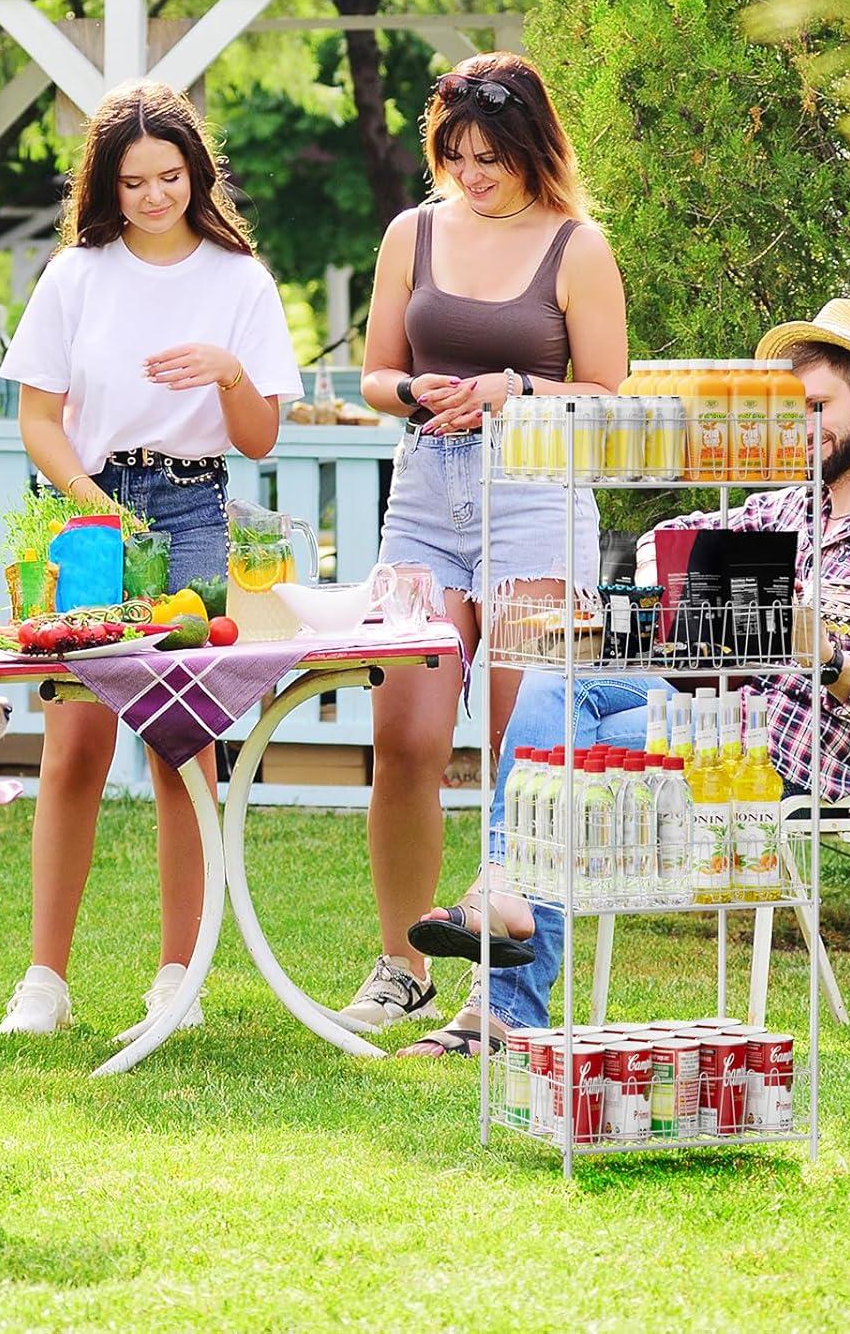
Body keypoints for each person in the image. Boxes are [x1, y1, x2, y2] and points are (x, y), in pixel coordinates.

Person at [400, 299, 850, 1054]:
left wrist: (828, 657)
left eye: (816, 408)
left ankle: (502, 1000)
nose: (801, 430)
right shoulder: (792, 510)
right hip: (719, 727)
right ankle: (505, 901)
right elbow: (668, 535)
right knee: (552, 688)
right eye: (789, 412)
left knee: (568, 755)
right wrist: (665, 578)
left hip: (803, 759)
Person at [0, 82, 303, 1038]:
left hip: (195, 506)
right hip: (88, 510)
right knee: (75, 746)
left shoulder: (239, 280)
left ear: (196, 173)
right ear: (108, 186)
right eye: (135, 182)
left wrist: (230, 372)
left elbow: (259, 440)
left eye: (171, 176)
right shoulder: (76, 275)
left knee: (183, 750)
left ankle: (180, 975)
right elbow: (36, 420)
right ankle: (44, 978)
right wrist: (98, 512)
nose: (156, 195)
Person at [347, 53, 628, 1033]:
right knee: (407, 736)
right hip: (427, 496)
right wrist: (418, 392)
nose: (470, 174)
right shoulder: (411, 234)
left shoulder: (577, 246)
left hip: (538, 497)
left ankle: (500, 1000)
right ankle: (401, 966)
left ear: (531, 150)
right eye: (456, 154)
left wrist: (512, 389)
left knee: (525, 751)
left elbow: (607, 395)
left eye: (489, 157)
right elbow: (376, 375)